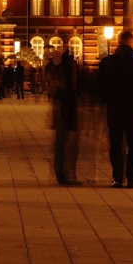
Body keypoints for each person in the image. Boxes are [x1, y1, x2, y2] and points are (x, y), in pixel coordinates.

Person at [97, 30, 133, 188]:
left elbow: (101, 88)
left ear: (118, 42)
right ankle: (131, 178)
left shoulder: (107, 62)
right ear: (132, 42)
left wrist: (108, 100)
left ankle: (118, 178)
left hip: (115, 107)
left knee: (116, 144)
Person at [53, 50, 81, 185]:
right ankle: (65, 175)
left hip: (63, 115)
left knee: (63, 145)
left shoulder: (61, 78)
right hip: (66, 115)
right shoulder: (68, 90)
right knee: (67, 145)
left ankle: (63, 174)